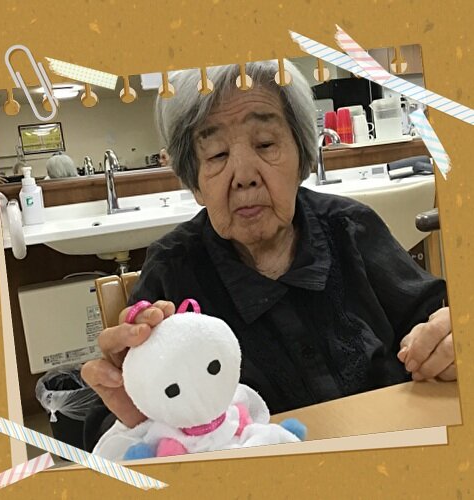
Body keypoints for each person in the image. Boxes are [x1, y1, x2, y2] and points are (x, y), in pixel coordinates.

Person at [81, 60, 454, 451]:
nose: (244, 175)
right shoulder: (172, 270)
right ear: (195, 182)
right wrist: (139, 416)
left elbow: (435, 314)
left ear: (303, 156)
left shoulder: (350, 227)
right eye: (217, 154)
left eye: (265, 144)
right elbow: (110, 420)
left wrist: (448, 338)